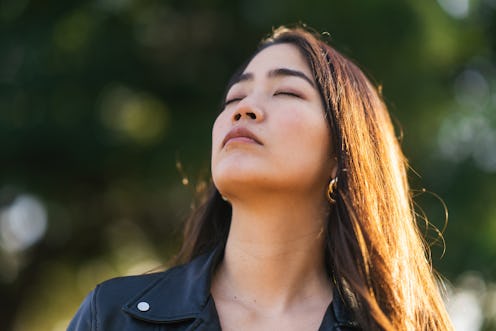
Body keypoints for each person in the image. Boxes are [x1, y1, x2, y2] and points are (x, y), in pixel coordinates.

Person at [67, 25, 454, 331]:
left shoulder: (405, 326)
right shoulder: (114, 317)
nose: (245, 108)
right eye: (235, 98)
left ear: (342, 154)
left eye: (286, 92)